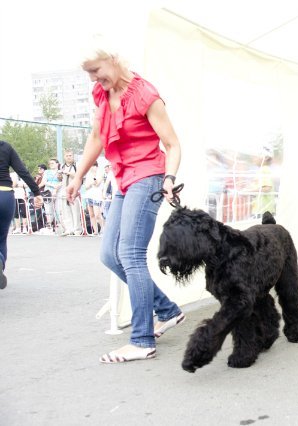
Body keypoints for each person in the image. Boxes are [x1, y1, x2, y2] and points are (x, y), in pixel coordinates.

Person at [67, 40, 184, 363]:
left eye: (95, 70)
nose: (92, 79)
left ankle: (142, 339)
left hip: (147, 176)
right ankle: (167, 310)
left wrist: (169, 179)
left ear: (113, 60)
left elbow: (172, 145)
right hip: (121, 178)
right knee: (109, 254)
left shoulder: (146, 95)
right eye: (88, 74)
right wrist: (77, 176)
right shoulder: (102, 95)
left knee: (130, 254)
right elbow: (96, 137)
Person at [0, 140, 43, 289]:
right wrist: (36, 192)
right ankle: (0, 263)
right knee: (1, 238)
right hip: (5, 195)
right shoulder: (5, 147)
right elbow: (22, 171)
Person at [59, 149, 83, 235]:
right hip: (64, 189)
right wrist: (60, 175)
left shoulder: (76, 165)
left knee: (75, 210)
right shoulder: (62, 166)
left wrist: (68, 173)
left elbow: (79, 176)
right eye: (67, 156)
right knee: (66, 210)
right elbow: (60, 179)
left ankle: (77, 229)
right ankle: (69, 228)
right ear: (64, 157)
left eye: (70, 155)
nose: (69, 157)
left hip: (74, 190)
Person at [83, 161, 105, 235]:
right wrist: (90, 183)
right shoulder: (88, 175)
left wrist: (94, 176)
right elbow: (86, 187)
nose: (93, 167)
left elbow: (97, 184)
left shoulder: (100, 174)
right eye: (91, 166)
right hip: (89, 195)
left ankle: (103, 228)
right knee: (91, 214)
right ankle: (95, 230)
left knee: (97, 214)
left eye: (94, 166)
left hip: (97, 196)